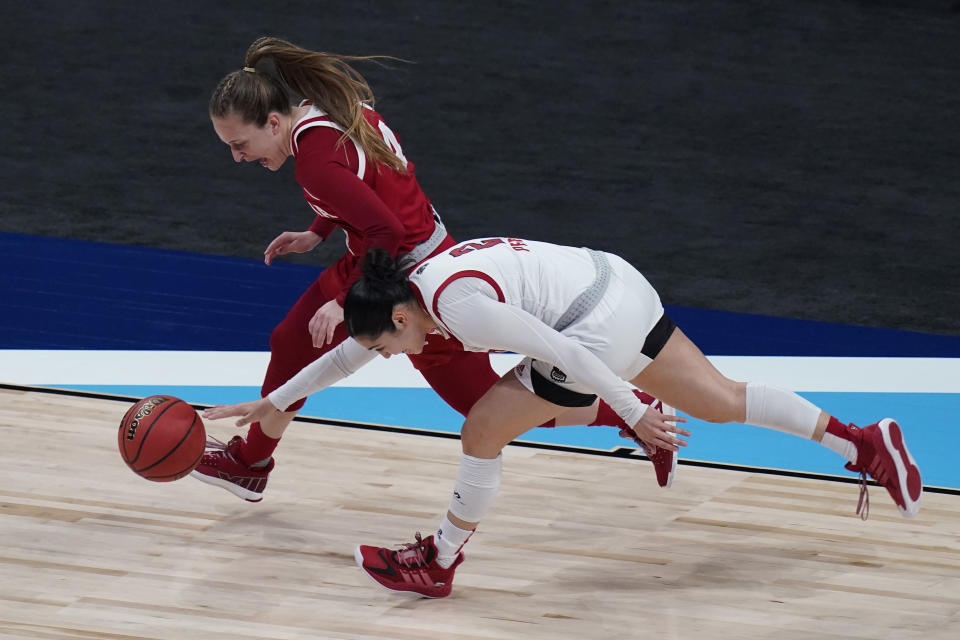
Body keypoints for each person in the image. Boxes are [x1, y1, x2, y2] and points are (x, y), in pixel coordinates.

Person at [210, 237, 922, 598]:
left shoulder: (457, 307)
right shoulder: (417, 293)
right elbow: (343, 361)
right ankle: (861, 444)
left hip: (587, 323)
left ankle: (441, 562)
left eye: (385, 343)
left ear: (399, 317)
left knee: (482, 429)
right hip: (618, 282)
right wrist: (273, 403)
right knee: (723, 401)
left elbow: (559, 351)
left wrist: (634, 412)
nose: (389, 356)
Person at [193, 37, 676, 501]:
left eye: (239, 143)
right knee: (295, 344)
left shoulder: (313, 163)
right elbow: (366, 185)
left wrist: (347, 303)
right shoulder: (331, 112)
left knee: (484, 408)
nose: (238, 156)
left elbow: (384, 230)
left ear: (274, 122)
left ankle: (630, 415)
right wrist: (318, 232)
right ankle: (250, 463)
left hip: (404, 273)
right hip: (420, 251)